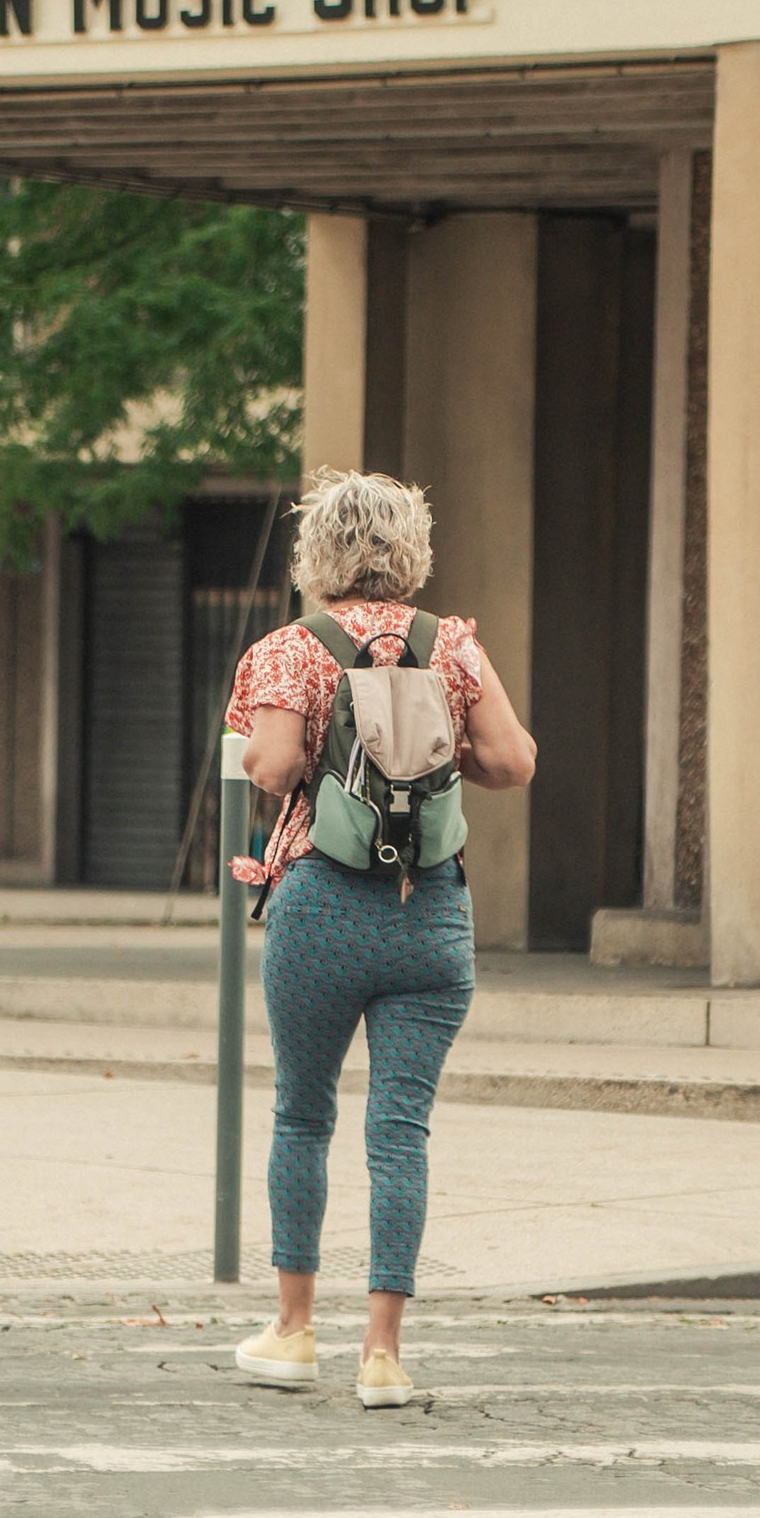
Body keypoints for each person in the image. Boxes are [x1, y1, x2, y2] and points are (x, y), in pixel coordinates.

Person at [224, 469, 537, 1407]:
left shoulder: (292, 649)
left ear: (315, 555)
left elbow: (276, 768)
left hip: (321, 906)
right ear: (410, 551)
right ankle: (384, 1354)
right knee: (399, 1131)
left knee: (302, 1116)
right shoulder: (453, 646)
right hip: (431, 912)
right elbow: (515, 762)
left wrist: (255, 751)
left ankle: (291, 1331)